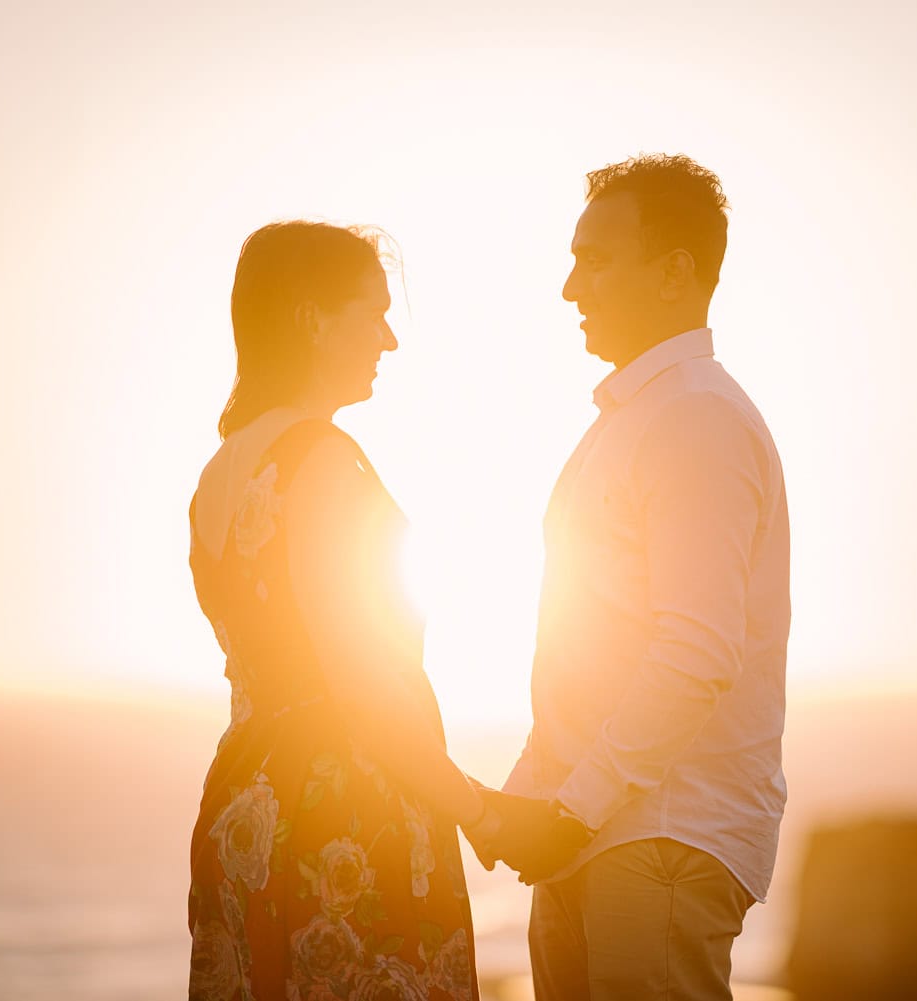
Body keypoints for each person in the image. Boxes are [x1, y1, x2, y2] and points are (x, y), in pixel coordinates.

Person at [485, 155, 793, 1000]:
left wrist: (570, 808)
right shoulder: (633, 420)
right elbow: (595, 642)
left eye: (595, 259)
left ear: (676, 272)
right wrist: (530, 796)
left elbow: (696, 650)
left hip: (658, 841)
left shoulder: (694, 415)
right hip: (595, 833)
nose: (569, 287)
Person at [184, 221, 499, 1001]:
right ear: (310, 318)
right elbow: (359, 682)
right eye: (373, 311)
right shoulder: (321, 460)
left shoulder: (217, 475)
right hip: (343, 814)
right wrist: (478, 810)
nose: (389, 338)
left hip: (244, 807)